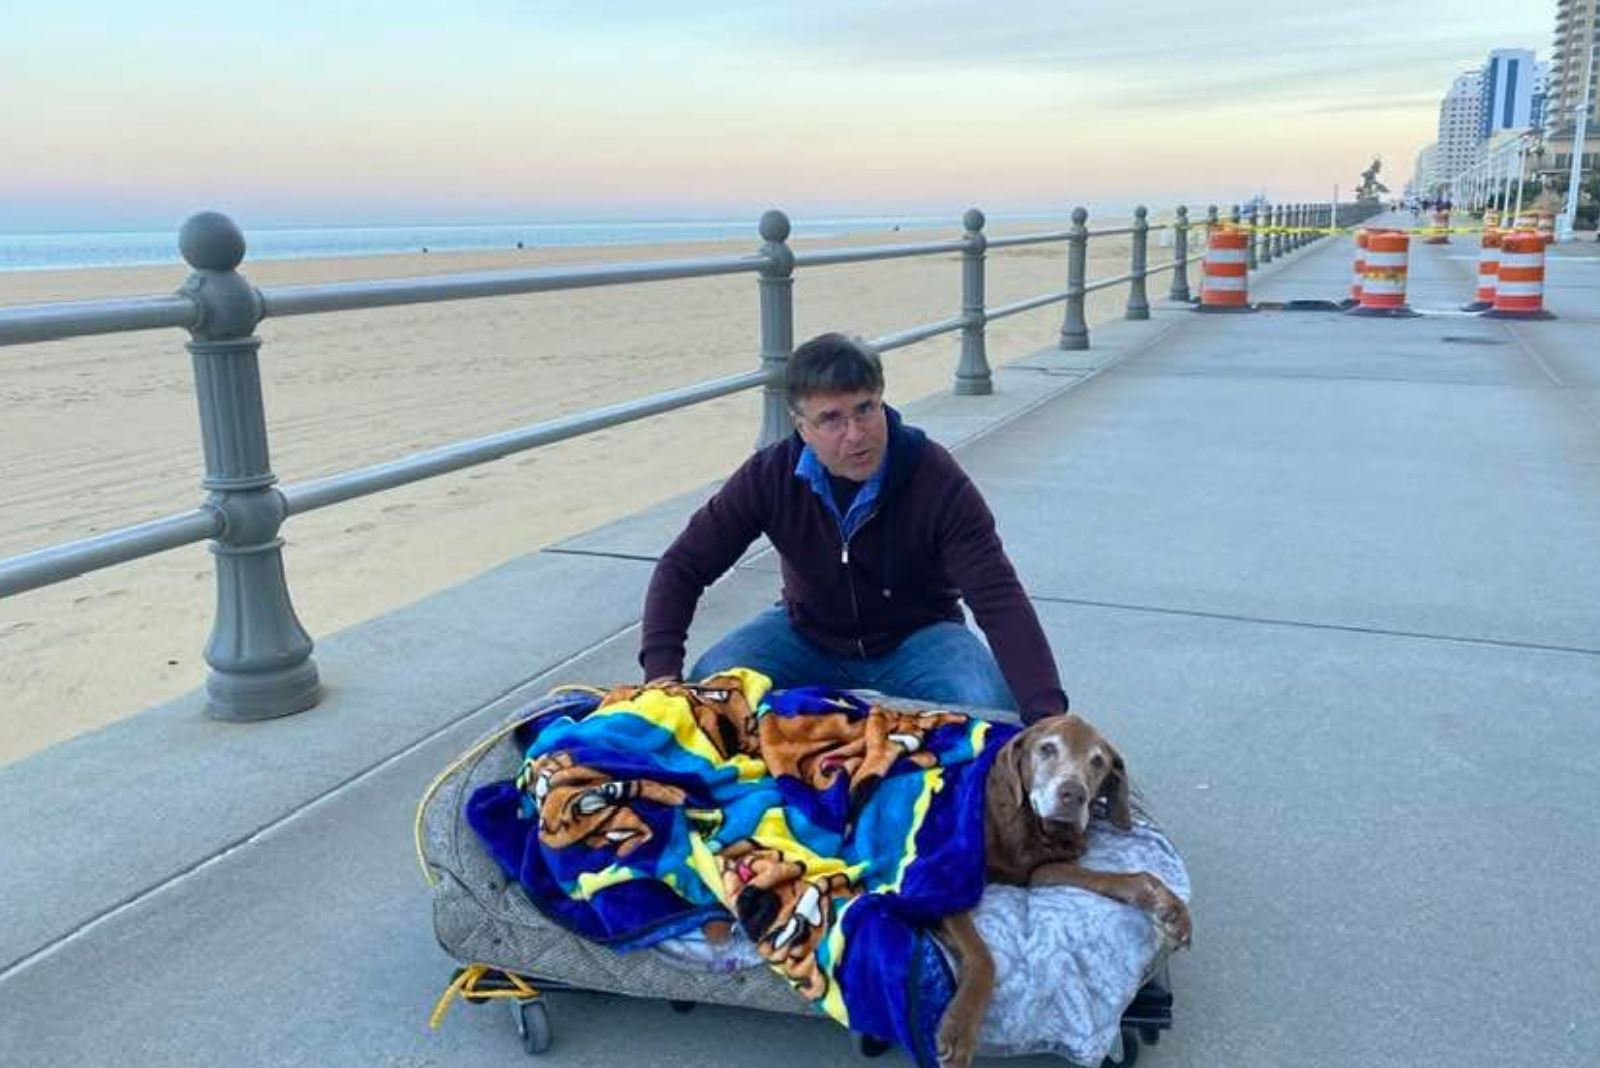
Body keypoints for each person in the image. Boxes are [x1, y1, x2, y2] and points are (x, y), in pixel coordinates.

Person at [638, 332, 1068, 723]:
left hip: (919, 637)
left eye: (866, 409)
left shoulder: (934, 477)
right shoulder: (770, 477)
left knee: (990, 708)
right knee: (710, 692)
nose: (856, 434)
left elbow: (997, 596)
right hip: (805, 634)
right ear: (800, 426)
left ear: (881, 400)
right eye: (832, 419)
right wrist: (661, 675)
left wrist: (1046, 711)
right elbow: (684, 566)